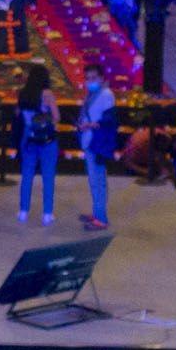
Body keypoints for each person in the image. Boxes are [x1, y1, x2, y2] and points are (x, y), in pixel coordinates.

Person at [16, 64, 61, 225]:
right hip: (46, 137)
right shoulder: (47, 94)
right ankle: (47, 214)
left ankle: (23, 211)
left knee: (27, 175)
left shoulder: (23, 93)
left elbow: (18, 113)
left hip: (28, 135)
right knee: (48, 175)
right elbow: (57, 117)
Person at [79, 63, 117, 231]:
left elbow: (110, 120)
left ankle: (101, 218)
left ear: (101, 78)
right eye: (87, 78)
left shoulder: (106, 94)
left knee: (98, 180)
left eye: (93, 78)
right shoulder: (92, 93)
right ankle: (97, 212)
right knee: (95, 179)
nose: (90, 81)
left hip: (98, 143)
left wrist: (90, 125)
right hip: (90, 141)